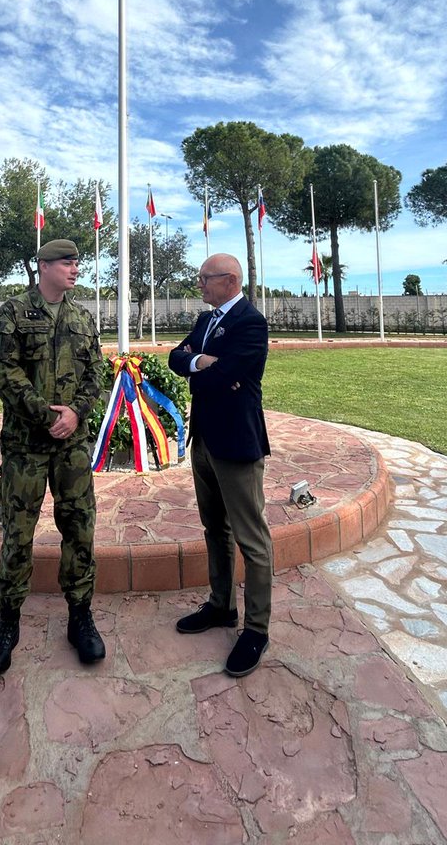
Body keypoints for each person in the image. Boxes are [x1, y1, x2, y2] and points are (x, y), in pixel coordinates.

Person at [0, 239, 106, 677]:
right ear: (44, 266)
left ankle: (80, 615)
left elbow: (96, 371)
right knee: (18, 531)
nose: (75, 269)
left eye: (77, 262)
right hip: (25, 446)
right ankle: (8, 621)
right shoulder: (13, 312)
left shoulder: (82, 318)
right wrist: (46, 415)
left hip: (71, 446)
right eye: (67, 262)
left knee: (79, 527)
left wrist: (75, 413)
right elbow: (5, 372)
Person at [168, 254, 273, 677]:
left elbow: (227, 374)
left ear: (229, 280)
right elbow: (175, 359)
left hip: (237, 444)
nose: (199, 284)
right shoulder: (206, 320)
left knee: (252, 539)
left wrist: (202, 364)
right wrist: (201, 361)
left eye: (204, 278)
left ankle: (256, 629)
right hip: (205, 441)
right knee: (215, 528)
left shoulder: (251, 322)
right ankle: (221, 606)